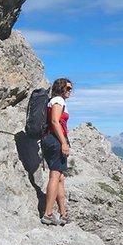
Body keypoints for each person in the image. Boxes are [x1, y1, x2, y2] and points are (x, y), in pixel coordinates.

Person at [41, 78, 73, 225]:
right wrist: (63, 142)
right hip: (55, 140)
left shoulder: (55, 101)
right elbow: (54, 121)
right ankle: (48, 213)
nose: (70, 91)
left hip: (51, 139)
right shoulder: (58, 101)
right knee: (55, 175)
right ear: (60, 89)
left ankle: (63, 212)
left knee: (60, 177)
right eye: (68, 88)